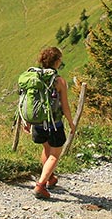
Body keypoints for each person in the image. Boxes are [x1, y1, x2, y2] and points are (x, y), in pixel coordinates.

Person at [28, 46, 75, 199]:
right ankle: (40, 185)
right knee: (55, 155)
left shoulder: (34, 77)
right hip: (54, 123)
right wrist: (71, 123)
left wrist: (27, 121)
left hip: (37, 122)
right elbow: (65, 106)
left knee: (46, 148)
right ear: (56, 61)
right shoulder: (59, 81)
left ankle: (50, 178)